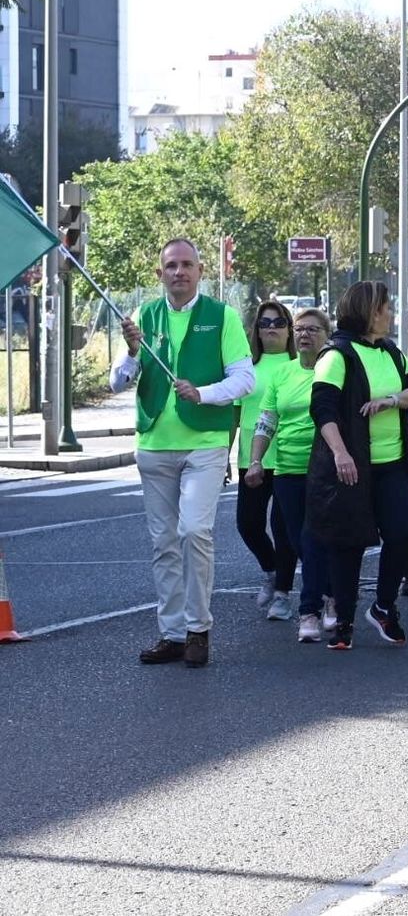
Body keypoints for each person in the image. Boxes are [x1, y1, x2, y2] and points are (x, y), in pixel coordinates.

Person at [112, 238, 255, 668]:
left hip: (205, 442)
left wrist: (204, 393)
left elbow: (244, 380)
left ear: (200, 270)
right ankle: (172, 633)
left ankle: (198, 628)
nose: (179, 272)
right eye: (171, 266)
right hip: (155, 443)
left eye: (187, 265)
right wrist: (133, 352)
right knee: (164, 543)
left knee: (194, 531)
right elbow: (118, 382)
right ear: (160, 274)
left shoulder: (222, 316)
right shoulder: (143, 316)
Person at [307, 281, 408, 651]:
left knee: (404, 533)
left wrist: (393, 400)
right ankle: (343, 619)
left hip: (393, 463)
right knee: (349, 542)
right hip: (352, 466)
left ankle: (383, 606)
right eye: (386, 307)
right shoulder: (337, 355)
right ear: (369, 311)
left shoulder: (391, 351)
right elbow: (323, 409)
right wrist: (341, 453)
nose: (390, 313)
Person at [252, 308, 334, 643]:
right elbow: (266, 421)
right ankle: (331, 595)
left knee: (318, 538)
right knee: (300, 539)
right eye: (300, 329)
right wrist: (256, 460)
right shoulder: (282, 374)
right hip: (287, 468)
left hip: (325, 468)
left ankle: (313, 608)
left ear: (326, 335)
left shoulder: (334, 369)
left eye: (313, 329)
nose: (304, 335)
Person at [237, 299, 298, 622]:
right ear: (256, 331)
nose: (271, 328)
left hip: (290, 458)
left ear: (289, 329)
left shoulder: (299, 364)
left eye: (278, 322)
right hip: (253, 458)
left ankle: (284, 594)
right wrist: (223, 456)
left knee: (284, 528)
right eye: (264, 323)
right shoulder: (245, 367)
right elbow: (234, 413)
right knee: (248, 524)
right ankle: (271, 570)